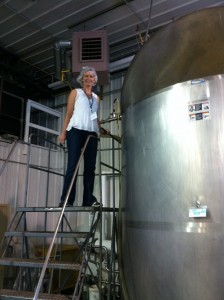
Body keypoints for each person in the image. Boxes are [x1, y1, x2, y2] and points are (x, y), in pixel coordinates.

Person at [58, 66, 100, 207]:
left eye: (91, 76)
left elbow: (94, 117)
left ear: (95, 80)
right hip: (75, 131)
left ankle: (87, 200)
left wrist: (101, 129)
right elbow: (69, 113)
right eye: (86, 76)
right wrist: (63, 132)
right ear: (82, 79)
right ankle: (67, 200)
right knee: (73, 166)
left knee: (90, 168)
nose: (89, 78)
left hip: (92, 134)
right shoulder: (75, 92)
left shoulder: (96, 98)